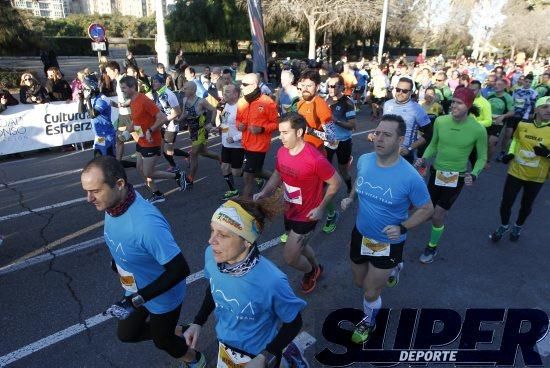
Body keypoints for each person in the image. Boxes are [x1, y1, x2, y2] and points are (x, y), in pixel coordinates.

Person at [80, 156, 206, 368]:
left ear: (119, 184)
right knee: (127, 334)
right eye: (86, 191)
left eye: (95, 191)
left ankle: (195, 359)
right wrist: (117, 262)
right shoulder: (115, 204)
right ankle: (178, 330)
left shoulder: (146, 223)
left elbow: (180, 269)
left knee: (162, 341)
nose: (88, 198)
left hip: (162, 295)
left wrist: (137, 299)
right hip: (136, 287)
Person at [183, 197, 309, 367]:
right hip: (225, 347)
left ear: (246, 241)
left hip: (259, 353)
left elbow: (294, 322)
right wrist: (198, 322)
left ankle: (289, 357)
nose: (211, 241)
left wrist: (265, 356)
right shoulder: (211, 256)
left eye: (223, 235)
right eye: (212, 231)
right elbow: (214, 288)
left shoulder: (272, 281)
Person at [341, 114, 434, 344]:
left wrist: (403, 227)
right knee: (359, 283)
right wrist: (350, 198)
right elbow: (359, 182)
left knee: (370, 292)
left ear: (400, 140)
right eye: (378, 133)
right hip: (360, 235)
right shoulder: (364, 160)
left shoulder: (410, 176)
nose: (379, 138)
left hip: (387, 243)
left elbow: (427, 208)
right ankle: (395, 269)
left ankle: (369, 322)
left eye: (387, 135)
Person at [254, 113, 341, 293]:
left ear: (299, 132)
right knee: (300, 247)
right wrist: (264, 192)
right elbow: (277, 174)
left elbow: (335, 183)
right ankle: (317, 267)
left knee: (290, 257)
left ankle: (311, 272)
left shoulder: (314, 159)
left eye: (285, 133)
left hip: (308, 214)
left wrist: (320, 208)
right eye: (280, 132)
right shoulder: (281, 151)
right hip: (290, 209)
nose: (281, 137)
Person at [415, 87, 488, 263]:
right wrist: (424, 158)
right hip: (437, 173)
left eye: (459, 103)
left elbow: (482, 157)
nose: (454, 105)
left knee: (438, 214)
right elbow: (433, 144)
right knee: (427, 210)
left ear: (468, 106)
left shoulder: (478, 130)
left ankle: (432, 247)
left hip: (457, 177)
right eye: (453, 101)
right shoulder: (441, 121)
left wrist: (475, 173)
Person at [490, 96, 550, 242]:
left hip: (536, 177)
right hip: (515, 171)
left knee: (526, 205)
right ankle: (504, 225)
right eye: (545, 107)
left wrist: (547, 154)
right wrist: (510, 153)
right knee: (506, 203)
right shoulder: (523, 124)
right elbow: (516, 140)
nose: (548, 110)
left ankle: (518, 225)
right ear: (536, 109)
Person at [120, 76, 188, 203]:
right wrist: (125, 133)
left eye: (124, 88)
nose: (122, 90)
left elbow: (161, 117)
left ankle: (178, 175)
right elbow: (136, 122)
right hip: (141, 141)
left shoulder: (143, 100)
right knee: (140, 169)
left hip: (151, 142)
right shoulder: (133, 101)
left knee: (148, 172)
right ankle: (157, 194)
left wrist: (150, 131)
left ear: (133, 87)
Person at [296, 69, 341, 234]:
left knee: (319, 191)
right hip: (300, 154)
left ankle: (331, 213)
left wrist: (311, 131)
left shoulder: (320, 105)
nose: (305, 89)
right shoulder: (300, 103)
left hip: (316, 156)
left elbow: (333, 138)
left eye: (310, 85)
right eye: (303, 85)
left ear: (317, 86)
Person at [237, 73, 279, 199]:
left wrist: (261, 129)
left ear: (254, 85)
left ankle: (245, 203)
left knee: (248, 175)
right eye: (241, 84)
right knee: (257, 171)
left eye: (244, 84)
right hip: (245, 143)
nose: (241, 87)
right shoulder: (241, 101)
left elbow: (276, 124)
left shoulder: (267, 102)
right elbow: (238, 119)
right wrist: (239, 125)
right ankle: (278, 181)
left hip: (259, 146)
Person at [382, 77, 432, 164]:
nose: (400, 93)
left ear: (411, 92)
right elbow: (383, 126)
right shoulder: (387, 104)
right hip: (385, 150)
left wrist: (410, 148)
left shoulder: (417, 109)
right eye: (398, 89)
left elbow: (429, 133)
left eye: (404, 91)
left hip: (404, 155)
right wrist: (375, 135)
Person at [325, 73, 356, 196]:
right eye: (329, 86)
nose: (331, 88)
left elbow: (352, 125)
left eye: (334, 86)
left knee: (343, 170)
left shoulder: (347, 103)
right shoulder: (325, 100)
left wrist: (335, 120)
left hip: (343, 142)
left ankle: (350, 187)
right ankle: (322, 192)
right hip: (328, 141)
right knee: (324, 168)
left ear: (342, 87)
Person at [150, 74, 189, 172]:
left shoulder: (169, 94)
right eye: (153, 81)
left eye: (156, 81)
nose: (153, 83)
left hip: (171, 125)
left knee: (167, 150)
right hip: (162, 125)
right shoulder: (158, 93)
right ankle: (174, 164)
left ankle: (186, 157)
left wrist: (165, 120)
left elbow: (178, 111)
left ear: (162, 83)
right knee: (165, 149)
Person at [498, 74, 538, 161]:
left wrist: (531, 116)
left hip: (524, 117)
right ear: (523, 81)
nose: (527, 83)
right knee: (507, 134)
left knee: (518, 137)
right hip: (513, 115)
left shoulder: (534, 92)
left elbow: (533, 106)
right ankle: (502, 152)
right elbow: (511, 102)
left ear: (532, 83)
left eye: (530, 82)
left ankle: (513, 153)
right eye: (526, 81)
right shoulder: (516, 90)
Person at [105, 61, 136, 168]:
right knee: (119, 138)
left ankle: (147, 154)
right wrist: (115, 104)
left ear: (116, 71)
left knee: (139, 137)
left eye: (109, 72)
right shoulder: (118, 81)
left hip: (129, 114)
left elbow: (131, 99)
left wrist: (121, 104)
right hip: (123, 115)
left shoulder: (123, 81)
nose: (108, 74)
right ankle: (118, 163)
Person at [79, 75, 116, 157]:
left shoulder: (101, 99)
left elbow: (93, 115)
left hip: (107, 135)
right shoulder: (91, 99)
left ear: (91, 87)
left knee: (109, 161)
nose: (84, 89)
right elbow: (81, 111)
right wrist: (81, 99)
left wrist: (87, 99)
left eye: (86, 87)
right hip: (99, 135)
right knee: (98, 159)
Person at [219, 84, 244, 200]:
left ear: (236, 94)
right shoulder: (227, 105)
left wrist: (234, 138)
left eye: (228, 92)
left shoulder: (241, 108)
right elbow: (225, 122)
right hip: (225, 143)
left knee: (236, 172)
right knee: (224, 167)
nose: (225, 94)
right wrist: (219, 128)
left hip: (237, 145)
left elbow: (248, 129)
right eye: (224, 92)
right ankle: (233, 191)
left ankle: (253, 175)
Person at [487, 78, 515, 162]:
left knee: (491, 142)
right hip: (487, 121)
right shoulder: (490, 94)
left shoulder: (508, 98)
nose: (496, 86)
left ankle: (487, 161)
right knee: (484, 142)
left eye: (499, 85)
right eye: (496, 84)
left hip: (498, 123)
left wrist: (503, 116)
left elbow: (512, 112)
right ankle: (481, 158)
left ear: (504, 86)